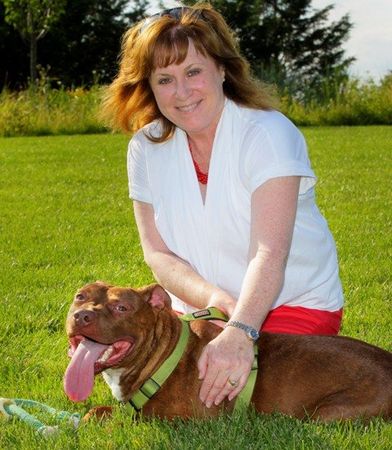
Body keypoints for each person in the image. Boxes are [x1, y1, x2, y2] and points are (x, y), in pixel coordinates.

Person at [102, 4, 344, 410]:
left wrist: (240, 329)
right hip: (200, 311)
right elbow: (157, 253)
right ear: (148, 86)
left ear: (223, 69)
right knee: (166, 398)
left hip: (290, 307)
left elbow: (270, 252)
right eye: (165, 79)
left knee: (223, 402)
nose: (182, 92)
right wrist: (214, 299)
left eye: (193, 72)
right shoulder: (145, 146)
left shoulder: (267, 133)